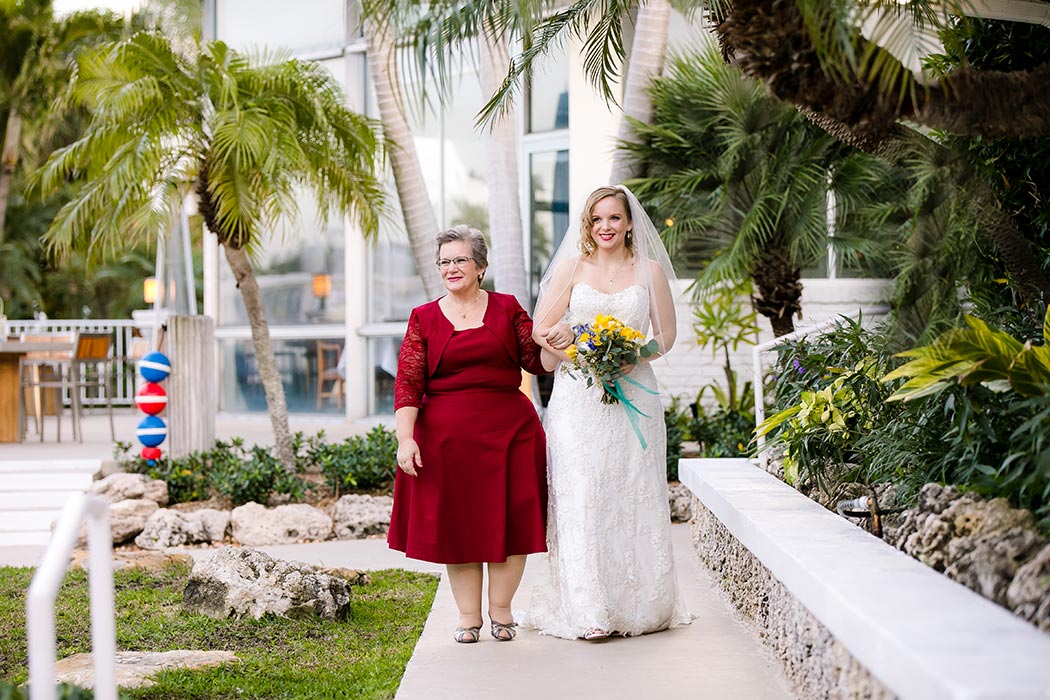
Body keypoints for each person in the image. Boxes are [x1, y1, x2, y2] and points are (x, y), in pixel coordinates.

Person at [523, 185, 691, 640]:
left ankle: (638, 604)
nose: (605, 227)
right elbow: (540, 330)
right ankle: (589, 609)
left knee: (631, 491)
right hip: (578, 398)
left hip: (634, 395)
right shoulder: (573, 269)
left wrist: (632, 355)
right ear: (587, 225)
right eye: (596, 220)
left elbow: (666, 335)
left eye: (613, 218)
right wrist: (571, 343)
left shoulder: (649, 271)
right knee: (583, 492)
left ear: (630, 222)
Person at [387, 224, 555, 644]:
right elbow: (408, 382)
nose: (451, 268)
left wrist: (561, 337)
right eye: (444, 261)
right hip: (445, 440)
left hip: (511, 434)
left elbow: (537, 361)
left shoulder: (506, 307)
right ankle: (468, 616)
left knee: (511, 523)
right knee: (458, 527)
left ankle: (501, 611)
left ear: (480, 266)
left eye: (460, 259)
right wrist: (406, 439)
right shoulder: (423, 317)